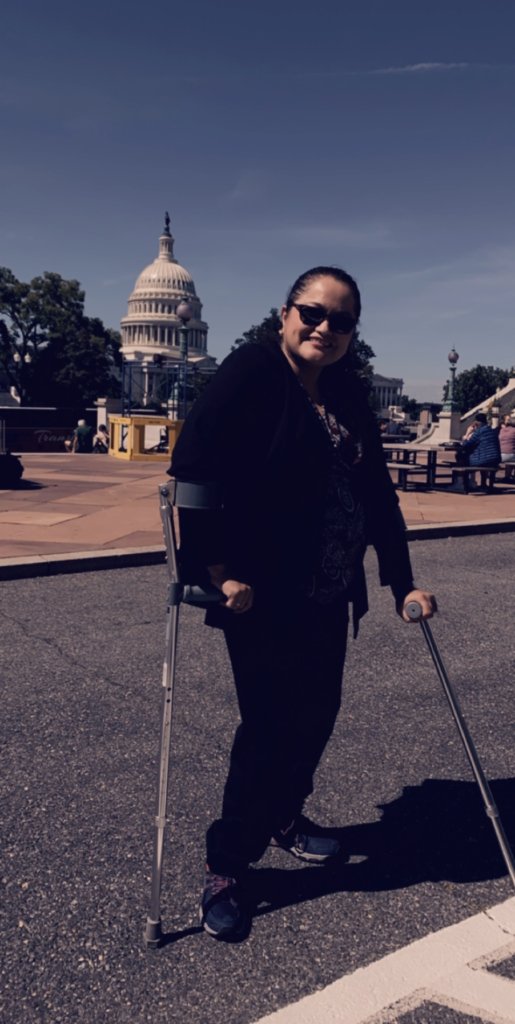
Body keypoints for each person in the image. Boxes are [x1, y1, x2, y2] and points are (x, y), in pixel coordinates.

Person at [169, 265, 436, 940]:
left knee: (317, 713)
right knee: (267, 728)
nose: (324, 328)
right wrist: (215, 570)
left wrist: (400, 580)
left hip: (327, 591)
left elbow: (377, 495)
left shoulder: (345, 392)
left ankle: (285, 815)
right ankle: (227, 864)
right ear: (285, 313)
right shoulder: (251, 373)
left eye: (341, 321)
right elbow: (192, 471)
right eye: (312, 313)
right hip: (260, 594)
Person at [460, 412, 501, 487]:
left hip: (484, 460)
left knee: (462, 459)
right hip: (495, 460)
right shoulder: (493, 431)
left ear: (476, 423)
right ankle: (484, 484)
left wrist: (467, 434)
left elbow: (466, 445)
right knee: (484, 457)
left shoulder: (479, 432)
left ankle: (464, 484)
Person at [499, 413, 515, 480]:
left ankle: (507, 476)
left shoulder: (501, 430)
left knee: (509, 453)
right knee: (511, 453)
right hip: (511, 455)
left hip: (500, 455)